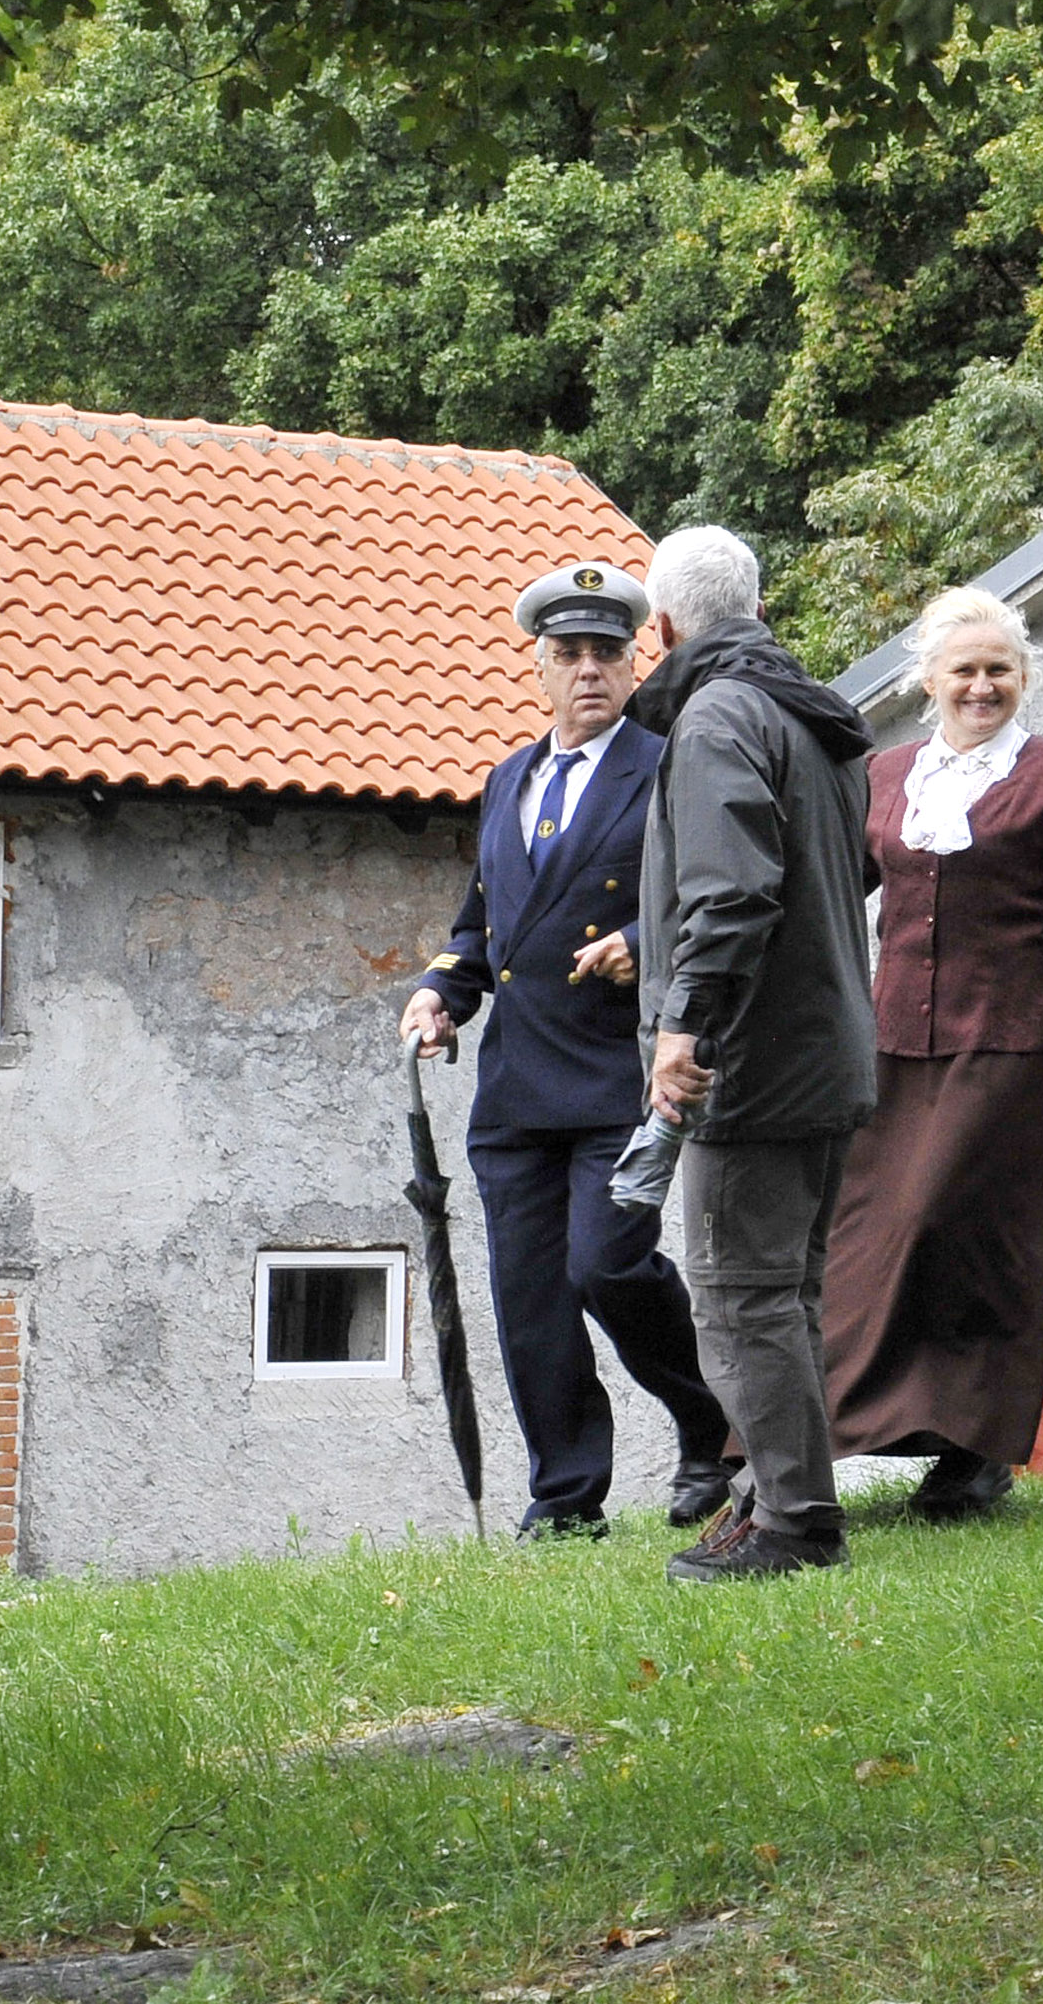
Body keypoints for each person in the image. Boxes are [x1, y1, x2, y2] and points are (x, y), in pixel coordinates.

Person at [820, 586, 1043, 1520]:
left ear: (1023, 678)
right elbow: (828, 887)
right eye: (965, 671)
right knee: (872, 1237)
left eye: (1000, 671)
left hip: (1014, 1041)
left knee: (967, 1234)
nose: (982, 687)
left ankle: (976, 1453)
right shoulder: (884, 777)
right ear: (928, 680)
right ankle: (826, 1436)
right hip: (894, 1041)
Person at [400, 565, 732, 1540]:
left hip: (614, 1072)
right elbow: (480, 923)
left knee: (607, 1265)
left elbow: (710, 890)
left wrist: (642, 935)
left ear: (635, 663)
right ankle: (565, 1497)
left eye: (606, 652)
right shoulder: (510, 778)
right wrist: (439, 991)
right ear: (539, 668)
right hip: (513, 1085)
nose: (588, 669)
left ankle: (707, 1416)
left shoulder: (667, 765)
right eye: (568, 654)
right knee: (531, 1298)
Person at [632, 526, 880, 1582]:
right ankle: (778, 1496)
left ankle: (792, 1522)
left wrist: (683, 1024)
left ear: (665, 627)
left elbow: (729, 892)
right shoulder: (812, 719)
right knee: (789, 1291)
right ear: (760, 609)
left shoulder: (721, 715)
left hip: (752, 1061)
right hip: (825, 1049)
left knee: (739, 1295)